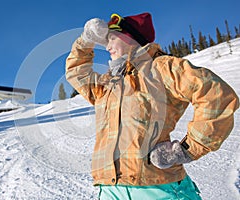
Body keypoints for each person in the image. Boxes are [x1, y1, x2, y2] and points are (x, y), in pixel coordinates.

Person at [66, 12, 239, 199]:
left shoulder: (161, 68)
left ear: (131, 37)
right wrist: (85, 41)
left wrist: (187, 150)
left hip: (158, 190)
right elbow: (76, 73)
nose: (107, 46)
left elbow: (216, 95)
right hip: (109, 189)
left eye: (112, 38)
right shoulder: (109, 84)